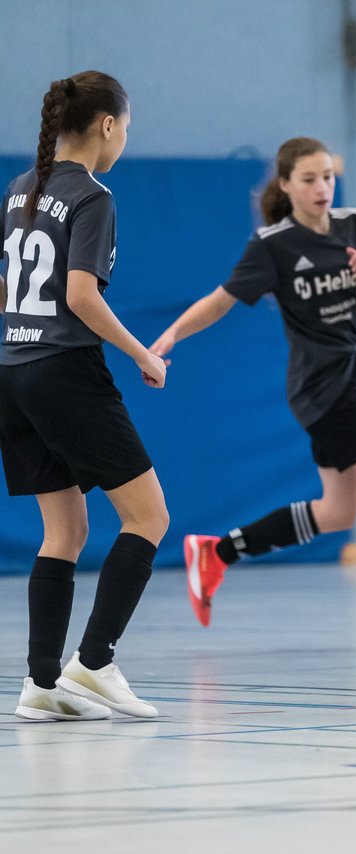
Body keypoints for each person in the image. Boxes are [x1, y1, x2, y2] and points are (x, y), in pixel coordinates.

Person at [150, 137, 356, 650]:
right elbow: (220, 301)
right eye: (310, 179)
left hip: (348, 380)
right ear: (287, 186)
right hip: (324, 392)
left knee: (337, 512)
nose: (322, 188)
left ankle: (216, 553)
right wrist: (171, 336)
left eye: (328, 178)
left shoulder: (354, 225)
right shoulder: (273, 245)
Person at [1, 71, 168, 720]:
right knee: (148, 518)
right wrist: (142, 353)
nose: (125, 138)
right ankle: (94, 664)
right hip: (63, 371)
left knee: (64, 530)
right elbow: (79, 296)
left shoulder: (20, 190)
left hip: (13, 372)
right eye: (126, 126)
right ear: (107, 126)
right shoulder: (93, 196)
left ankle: (41, 686)